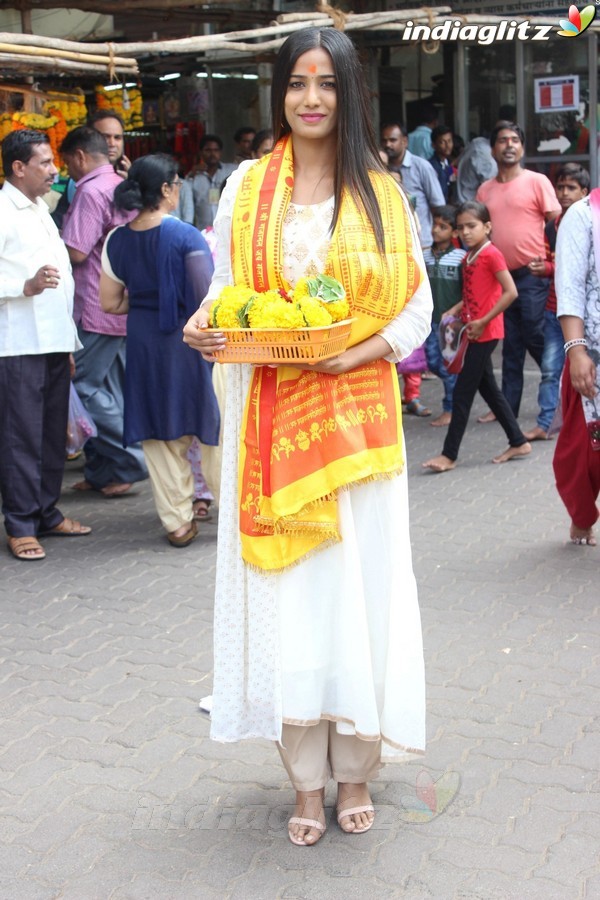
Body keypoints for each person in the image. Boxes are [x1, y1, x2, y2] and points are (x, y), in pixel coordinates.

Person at [183, 26, 431, 847]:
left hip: (355, 424)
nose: (312, 98)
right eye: (297, 83)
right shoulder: (249, 186)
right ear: (280, 93)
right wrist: (205, 328)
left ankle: (356, 769)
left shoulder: (382, 193)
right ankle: (305, 780)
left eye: (327, 82)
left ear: (350, 93)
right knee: (295, 603)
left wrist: (349, 353)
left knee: (357, 593)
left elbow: (415, 309)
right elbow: (224, 290)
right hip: (271, 420)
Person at [100, 154, 220, 546]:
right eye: (178, 182)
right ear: (167, 189)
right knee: (212, 429)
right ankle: (234, 513)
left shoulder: (116, 240)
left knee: (160, 436)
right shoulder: (187, 236)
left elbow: (111, 303)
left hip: (145, 343)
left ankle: (177, 522)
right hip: (192, 343)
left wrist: (148, 302)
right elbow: (206, 298)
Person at [0, 129, 91, 561]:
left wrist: (68, 344)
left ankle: (46, 514)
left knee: (52, 433)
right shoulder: (3, 210)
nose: (55, 171)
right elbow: (34, 282)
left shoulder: (39, 208)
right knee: (21, 437)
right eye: (44, 163)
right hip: (16, 345)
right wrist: (25, 285)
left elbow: (64, 284)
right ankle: (19, 523)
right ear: (18, 168)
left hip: (52, 341)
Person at [60, 126, 148, 497]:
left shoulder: (91, 191)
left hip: (97, 307)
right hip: (121, 305)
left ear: (79, 156)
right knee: (112, 388)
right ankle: (105, 471)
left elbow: (77, 252)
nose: (61, 171)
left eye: (63, 162)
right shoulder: (117, 184)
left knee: (81, 388)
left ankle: (134, 459)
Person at [422, 201, 531, 473]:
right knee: (489, 390)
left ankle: (449, 455)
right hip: (473, 330)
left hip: (486, 332)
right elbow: (475, 292)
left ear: (487, 226)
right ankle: (518, 441)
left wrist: (483, 320)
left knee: (462, 394)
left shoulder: (491, 254)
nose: (465, 232)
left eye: (472, 226)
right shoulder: (469, 255)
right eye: (461, 227)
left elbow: (510, 292)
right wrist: (457, 308)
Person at [475, 123, 560, 421]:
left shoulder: (537, 182)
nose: (509, 145)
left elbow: (557, 224)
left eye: (515, 140)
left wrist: (551, 265)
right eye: (502, 141)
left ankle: (560, 379)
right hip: (501, 278)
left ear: (522, 148)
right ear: (493, 149)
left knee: (533, 333)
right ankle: (507, 408)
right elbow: (480, 233)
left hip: (532, 275)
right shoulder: (485, 190)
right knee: (511, 344)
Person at [524, 163, 590, 442]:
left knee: (587, 371)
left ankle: (585, 425)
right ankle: (546, 422)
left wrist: (549, 269)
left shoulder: (591, 221)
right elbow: (557, 263)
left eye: (570, 187)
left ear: (584, 192)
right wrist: (544, 266)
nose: (563, 193)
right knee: (551, 369)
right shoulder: (552, 226)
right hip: (556, 308)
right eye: (560, 187)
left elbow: (582, 269)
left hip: (585, 313)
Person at [553, 186, 600, 546]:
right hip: (593, 355)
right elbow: (569, 287)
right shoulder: (583, 216)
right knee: (584, 455)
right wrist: (576, 350)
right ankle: (581, 517)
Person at [423, 206, 467, 426]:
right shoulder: (425, 256)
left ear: (454, 233)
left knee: (448, 365)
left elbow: (468, 291)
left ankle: (450, 408)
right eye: (434, 224)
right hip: (430, 320)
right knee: (432, 362)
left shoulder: (460, 258)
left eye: (443, 227)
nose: (435, 230)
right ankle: (457, 395)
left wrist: (456, 311)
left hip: (451, 323)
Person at [381, 121, 445, 248]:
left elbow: (437, 206)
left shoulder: (421, 166)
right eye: (384, 141)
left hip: (421, 243)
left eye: (393, 140)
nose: (388, 144)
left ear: (405, 141)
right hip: (392, 245)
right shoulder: (380, 169)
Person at [191, 134, 237, 230]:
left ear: (220, 152)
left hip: (227, 229)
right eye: (208, 150)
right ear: (201, 153)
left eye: (216, 150)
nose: (212, 154)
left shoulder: (232, 171)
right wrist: (191, 173)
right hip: (203, 231)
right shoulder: (194, 177)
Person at [88, 110, 131, 179]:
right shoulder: (80, 180)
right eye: (105, 137)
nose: (112, 143)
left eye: (117, 137)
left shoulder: (129, 177)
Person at [428, 125, 455, 203]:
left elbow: (451, 182)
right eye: (442, 142)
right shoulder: (431, 166)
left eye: (449, 141)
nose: (447, 145)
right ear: (433, 145)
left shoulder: (449, 163)